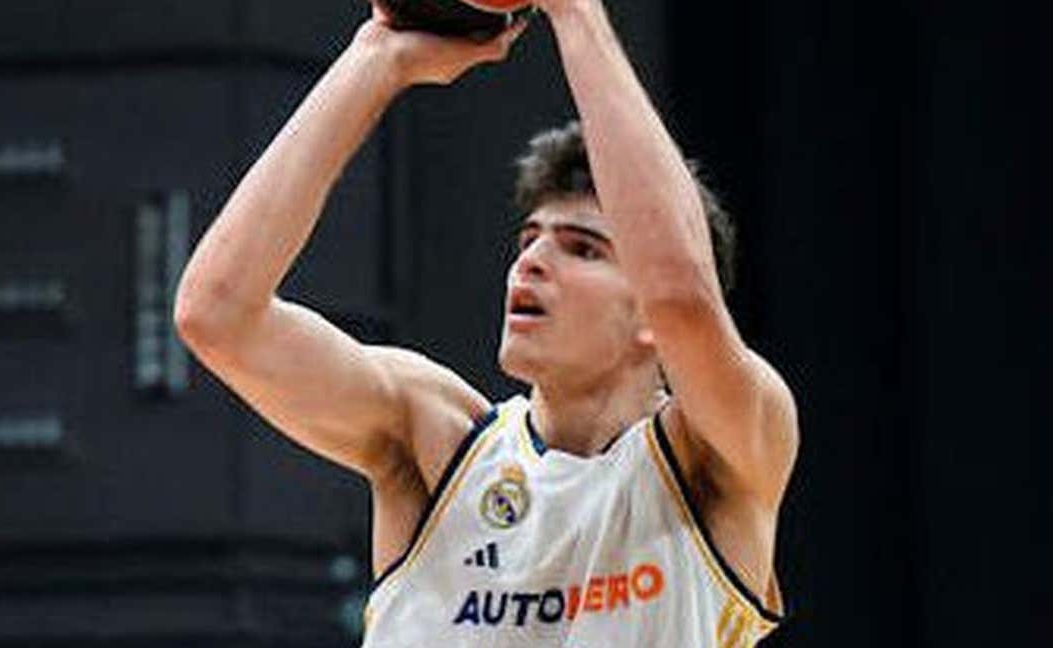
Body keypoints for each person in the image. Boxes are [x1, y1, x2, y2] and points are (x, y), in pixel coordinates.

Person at [173, 0, 798, 645]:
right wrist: (375, 60)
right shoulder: (434, 437)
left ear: (650, 326)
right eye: (530, 237)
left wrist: (575, 12)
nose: (531, 262)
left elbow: (682, 298)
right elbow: (216, 313)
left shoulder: (718, 455)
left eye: (582, 248)